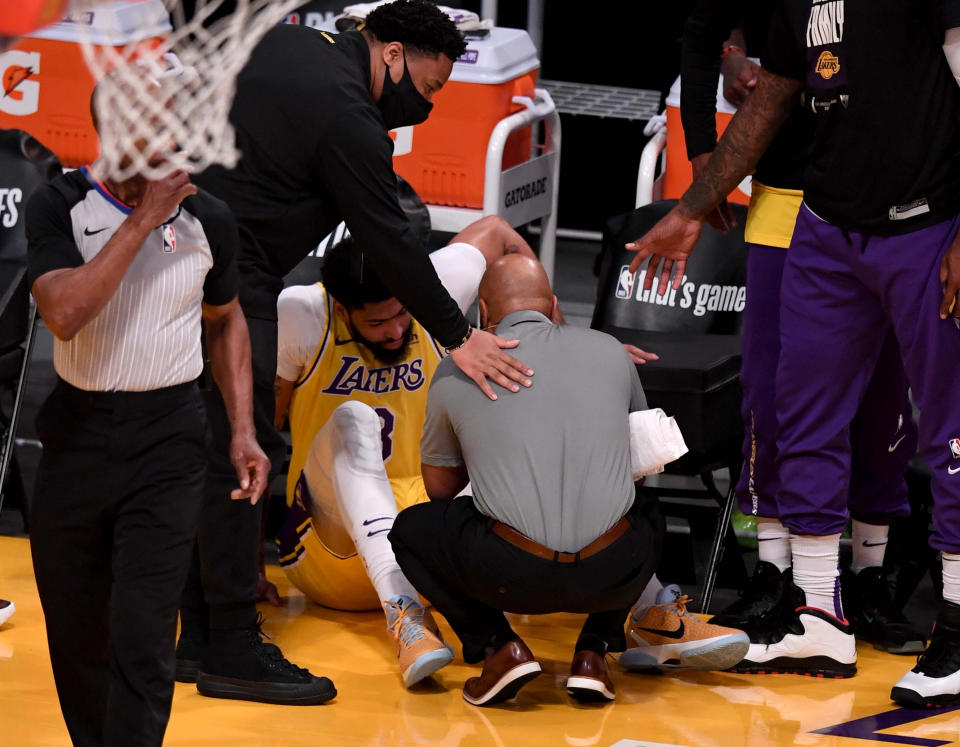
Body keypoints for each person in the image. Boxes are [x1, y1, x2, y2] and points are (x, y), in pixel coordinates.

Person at [179, 0, 537, 703]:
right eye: (430, 89)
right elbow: (391, 243)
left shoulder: (300, 48)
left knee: (204, 447)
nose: (427, 108)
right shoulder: (349, 116)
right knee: (237, 447)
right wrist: (460, 336)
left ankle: (196, 633)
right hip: (228, 270)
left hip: (180, 249)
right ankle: (227, 644)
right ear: (394, 54)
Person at [627, 0, 960, 704]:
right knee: (801, 412)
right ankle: (816, 610)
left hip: (926, 220)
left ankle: (957, 623)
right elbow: (773, 97)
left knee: (949, 426)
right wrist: (692, 207)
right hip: (827, 224)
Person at [22, 72, 294, 745]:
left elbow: (226, 321)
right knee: (78, 632)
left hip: (169, 441)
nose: (173, 144)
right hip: (77, 435)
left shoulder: (211, 220)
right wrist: (143, 219)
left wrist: (241, 430)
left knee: (144, 635)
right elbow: (64, 314)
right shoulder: (61, 204)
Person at [680, 0, 925, 655]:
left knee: (882, 400)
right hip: (787, 199)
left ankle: (870, 577)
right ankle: (776, 573)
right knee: (770, 393)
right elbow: (703, 38)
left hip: (889, 207)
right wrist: (703, 153)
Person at [389, 254, 674, 706]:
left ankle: (500, 647)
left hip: (507, 574)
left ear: (483, 312)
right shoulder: (611, 352)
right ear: (554, 305)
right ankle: (593, 653)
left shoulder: (455, 369)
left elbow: (440, 491)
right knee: (650, 515)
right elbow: (640, 466)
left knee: (411, 529)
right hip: (612, 570)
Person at [272, 216, 542, 689]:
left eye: (403, 313)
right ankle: (406, 616)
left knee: (531, 426)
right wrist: (239, 567)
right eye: (377, 322)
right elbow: (258, 434)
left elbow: (501, 234)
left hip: (427, 544)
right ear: (341, 308)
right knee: (354, 419)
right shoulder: (301, 314)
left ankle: (647, 607)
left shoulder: (438, 287)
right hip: (328, 549)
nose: (397, 330)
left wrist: (550, 330)